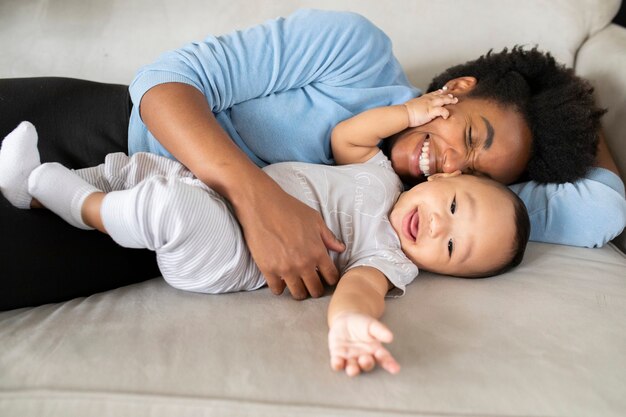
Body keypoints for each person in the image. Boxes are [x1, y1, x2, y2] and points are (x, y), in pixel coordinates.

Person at [0, 9, 623, 310]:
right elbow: (164, 84)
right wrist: (257, 197)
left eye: (480, 176)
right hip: (92, 134)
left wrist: (572, 105)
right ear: (455, 91)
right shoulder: (355, 55)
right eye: (474, 135)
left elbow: (604, 208)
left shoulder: (445, 217)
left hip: (138, 235)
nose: (452, 166)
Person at [0, 88, 530, 375]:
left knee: (172, 206)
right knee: (143, 169)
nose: (438, 226)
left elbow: (360, 289)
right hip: (228, 192)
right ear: (441, 178)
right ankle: (33, 188)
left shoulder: (390, 258)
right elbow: (349, 135)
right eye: (454, 205)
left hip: (227, 254)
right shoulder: (378, 173)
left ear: (442, 270)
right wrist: (410, 111)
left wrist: (350, 325)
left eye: (453, 248)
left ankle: (77, 204)